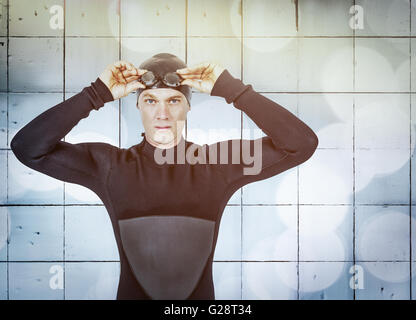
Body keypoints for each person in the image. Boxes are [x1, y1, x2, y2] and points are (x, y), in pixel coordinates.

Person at [10, 53, 318, 300]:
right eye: (151, 101)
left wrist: (232, 90)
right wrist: (96, 94)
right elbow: (28, 148)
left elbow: (301, 145)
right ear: (138, 106)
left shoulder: (218, 165)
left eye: (173, 100)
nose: (162, 114)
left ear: (187, 106)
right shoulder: (110, 166)